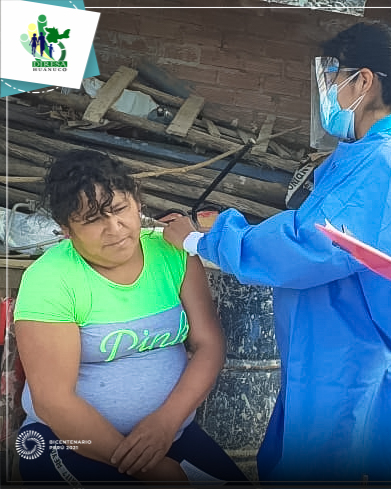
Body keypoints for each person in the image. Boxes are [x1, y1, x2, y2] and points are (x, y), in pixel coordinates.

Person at [163, 21, 391, 483]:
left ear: (363, 81)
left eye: (334, 76)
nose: (328, 89)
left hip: (342, 351)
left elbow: (313, 243)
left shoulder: (384, 160)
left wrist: (206, 240)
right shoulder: (373, 151)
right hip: (328, 344)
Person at [13, 151, 248, 484]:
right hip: (69, 442)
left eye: (120, 209)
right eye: (92, 220)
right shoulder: (50, 279)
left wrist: (165, 423)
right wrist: (148, 468)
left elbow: (208, 344)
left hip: (169, 433)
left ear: (138, 202)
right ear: (66, 229)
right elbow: (54, 402)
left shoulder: (171, 253)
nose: (114, 229)